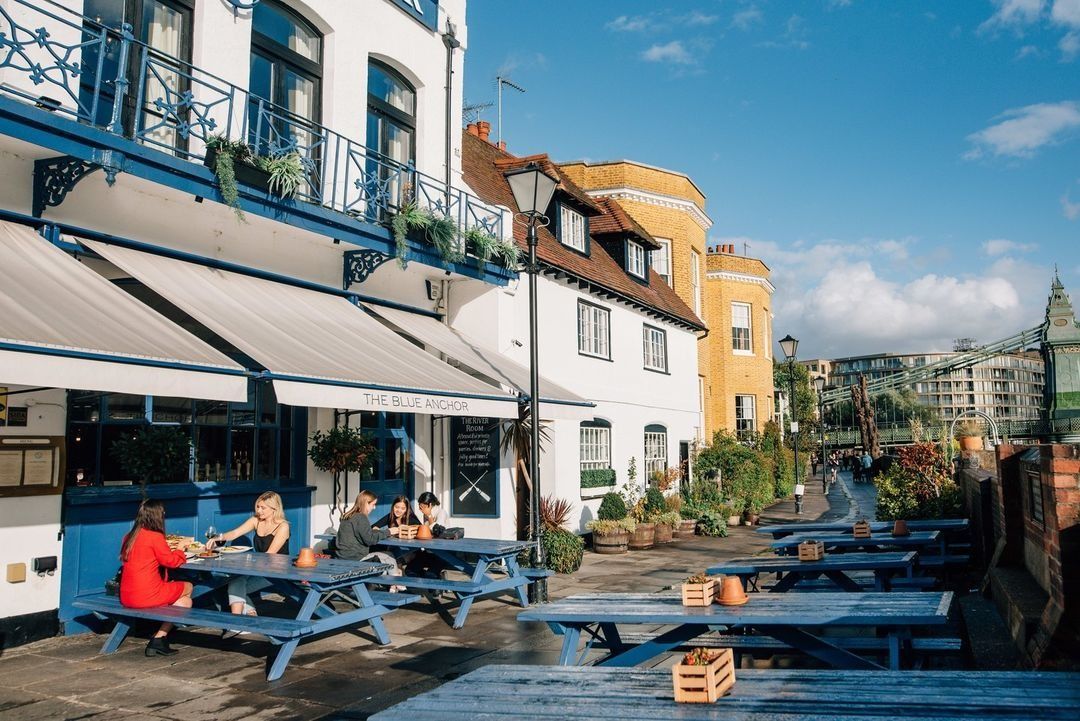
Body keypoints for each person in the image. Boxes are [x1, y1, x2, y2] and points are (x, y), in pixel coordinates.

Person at [118, 499, 194, 657]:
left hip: (126, 596)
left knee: (185, 602)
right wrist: (180, 549)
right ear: (157, 516)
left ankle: (159, 638)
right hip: (147, 595)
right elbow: (171, 562)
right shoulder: (154, 537)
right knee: (189, 587)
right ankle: (159, 636)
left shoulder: (129, 536)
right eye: (163, 512)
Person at [207, 491, 290, 618]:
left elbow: (270, 554)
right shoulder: (256, 520)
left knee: (235, 588)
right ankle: (243, 618)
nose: (259, 511)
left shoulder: (283, 526)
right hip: (261, 567)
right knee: (235, 583)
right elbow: (235, 533)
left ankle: (241, 619)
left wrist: (248, 562)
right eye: (257, 506)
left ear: (275, 509)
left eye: (263, 508)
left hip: (277, 570)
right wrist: (218, 538)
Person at [336, 491, 402, 587]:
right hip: (355, 559)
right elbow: (370, 539)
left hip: (342, 558)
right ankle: (397, 583)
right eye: (373, 504)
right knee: (389, 556)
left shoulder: (347, 516)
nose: (374, 508)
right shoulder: (361, 517)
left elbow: (364, 534)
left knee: (384, 561)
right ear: (366, 503)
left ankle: (394, 583)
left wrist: (380, 532)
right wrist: (389, 532)